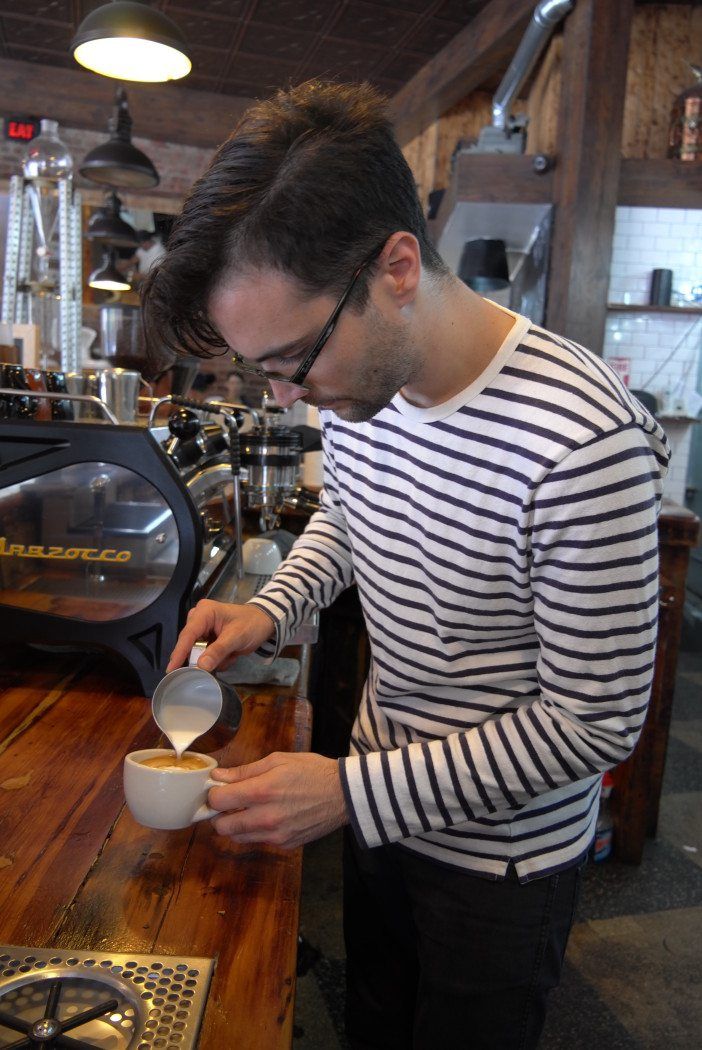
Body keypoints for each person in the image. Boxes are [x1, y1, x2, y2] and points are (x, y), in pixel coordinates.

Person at [141, 81, 670, 1050]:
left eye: (297, 358)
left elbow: (597, 719)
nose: (294, 394)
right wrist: (274, 607)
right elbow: (350, 516)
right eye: (270, 372)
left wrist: (349, 793)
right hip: (383, 808)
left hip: (500, 865)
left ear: (395, 266)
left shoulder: (581, 439)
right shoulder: (360, 395)